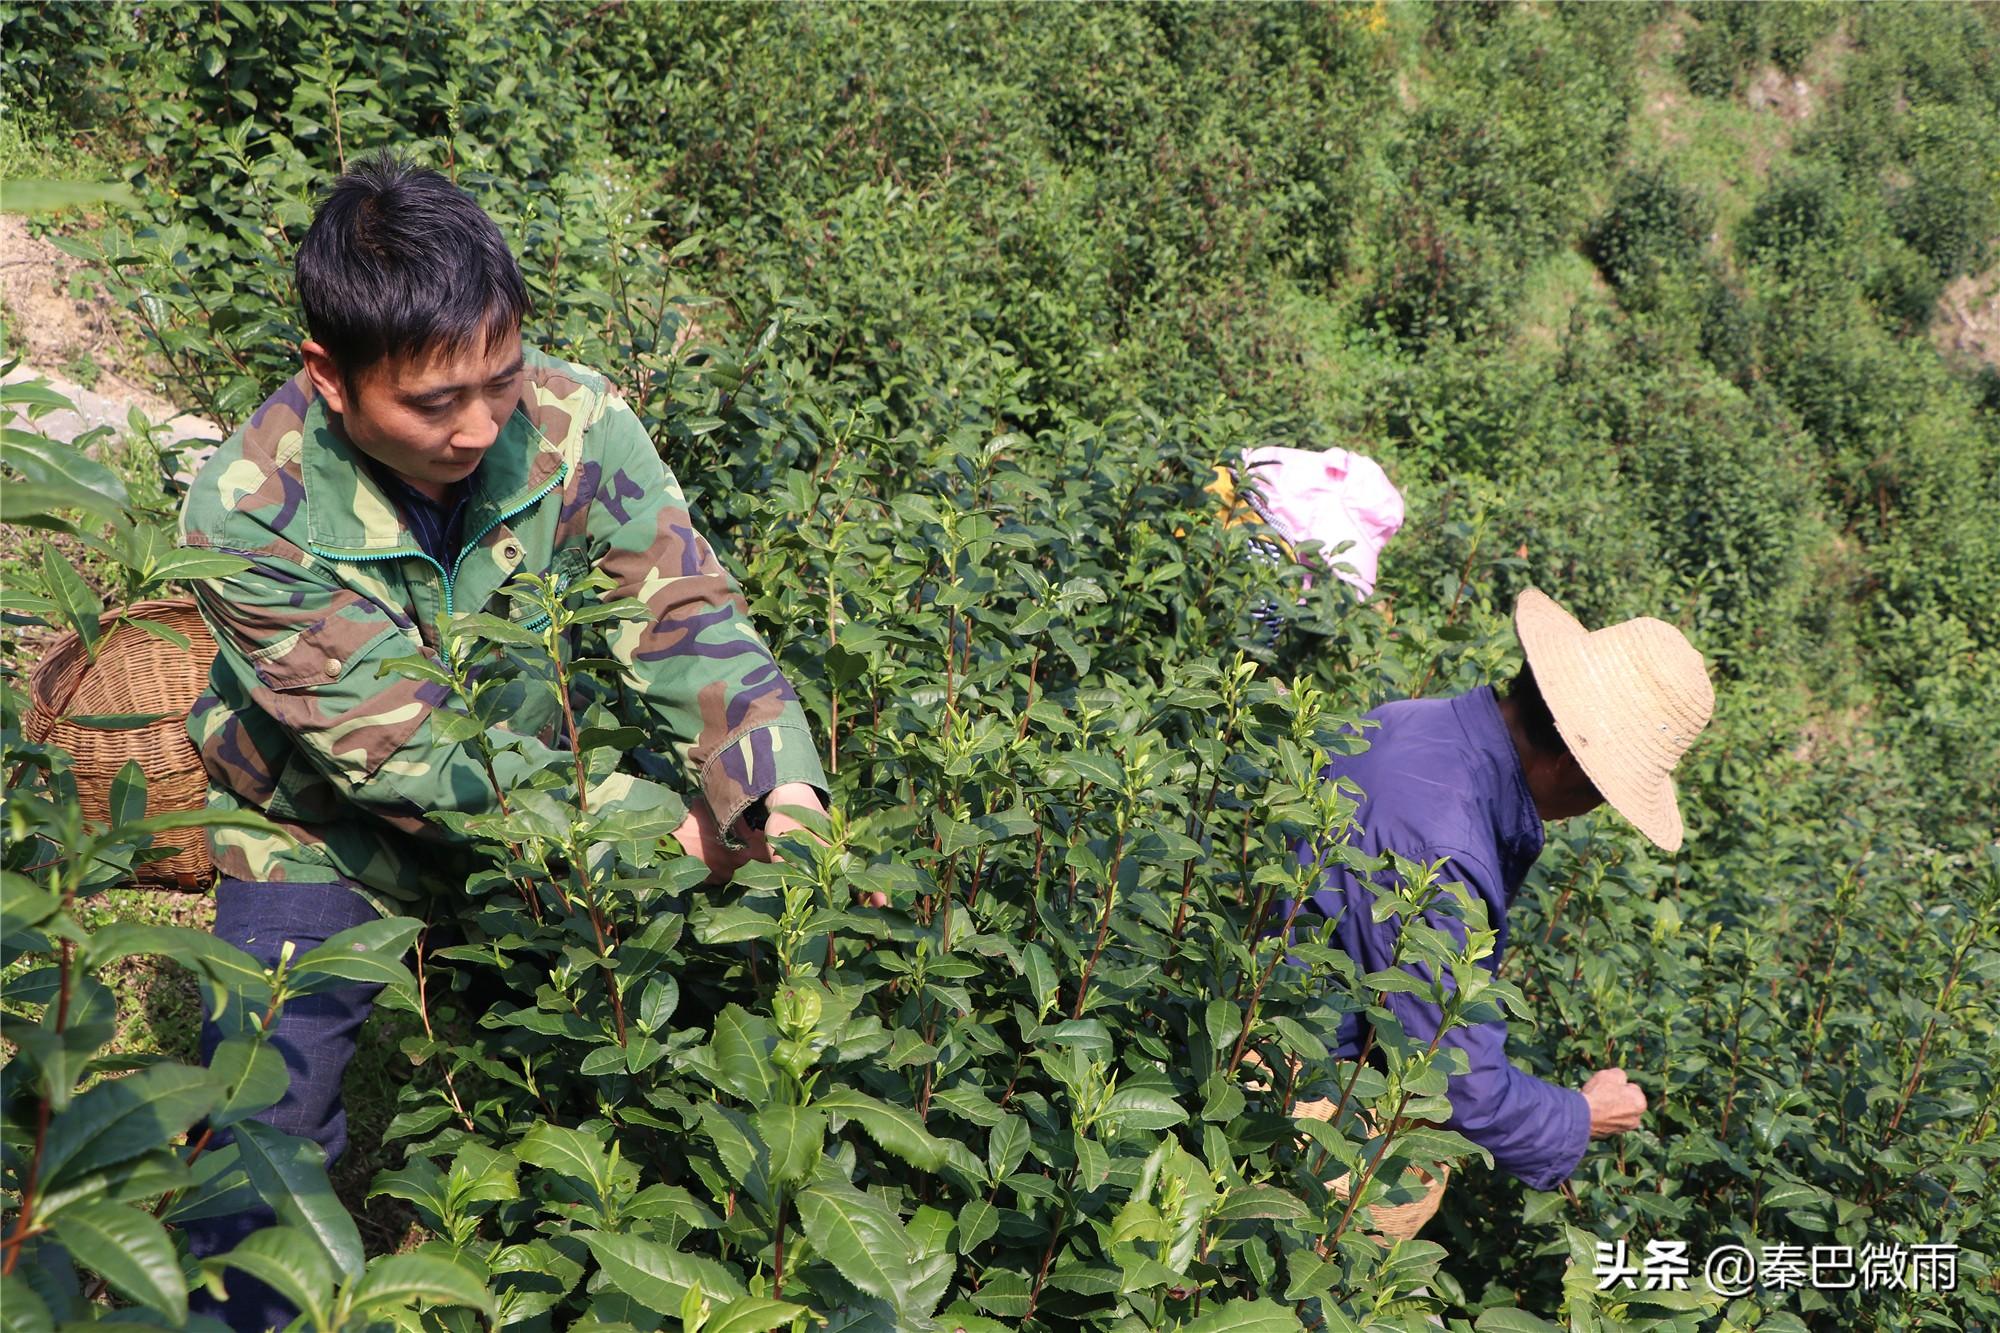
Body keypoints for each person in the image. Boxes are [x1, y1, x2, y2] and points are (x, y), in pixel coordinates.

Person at [175, 154, 829, 1330]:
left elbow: (685, 615)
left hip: (547, 791)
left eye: (500, 376)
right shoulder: (245, 513)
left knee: (645, 1081)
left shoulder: (573, 419)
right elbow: (413, 762)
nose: (479, 424)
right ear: (330, 376)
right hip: (321, 830)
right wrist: (669, 838)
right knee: (260, 1131)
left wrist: (774, 795)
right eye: (432, 402)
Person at [1299, 588, 1713, 1220]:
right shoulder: (1447, 854)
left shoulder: (1409, 717)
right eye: (1606, 792)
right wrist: (1583, 1114)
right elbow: (1455, 1085)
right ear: (1574, 765)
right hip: (1301, 1096)